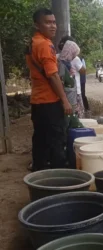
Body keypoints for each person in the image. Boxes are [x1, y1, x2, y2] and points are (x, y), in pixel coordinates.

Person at [25, 8, 72, 172]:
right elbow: (52, 75)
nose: (53, 26)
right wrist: (65, 100)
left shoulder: (33, 42)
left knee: (40, 142)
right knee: (56, 143)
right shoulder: (45, 44)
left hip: (37, 102)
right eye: (48, 22)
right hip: (49, 102)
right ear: (37, 25)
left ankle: (39, 177)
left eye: (54, 22)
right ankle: (57, 184)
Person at [57, 38, 85, 118]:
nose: (74, 56)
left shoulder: (58, 58)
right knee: (73, 117)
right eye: (74, 54)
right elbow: (65, 82)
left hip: (65, 95)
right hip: (69, 96)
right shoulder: (64, 64)